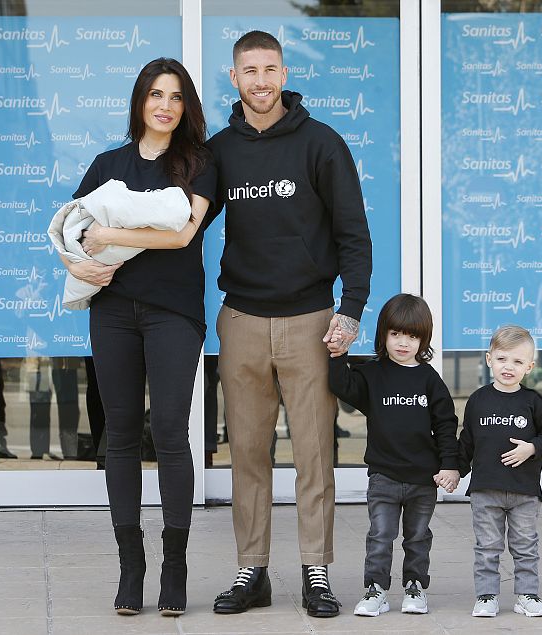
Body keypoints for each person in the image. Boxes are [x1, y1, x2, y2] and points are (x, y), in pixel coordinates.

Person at [207, 30, 372, 618]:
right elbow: (184, 224)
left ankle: (316, 572)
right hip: (242, 321)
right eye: (248, 70)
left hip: (311, 322)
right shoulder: (218, 151)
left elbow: (354, 233)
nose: (260, 81)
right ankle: (252, 571)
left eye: (269, 69)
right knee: (247, 453)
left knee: (313, 454)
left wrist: (350, 311)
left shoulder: (322, 144)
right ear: (234, 78)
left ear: (284, 73)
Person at [62, 57, 216, 617]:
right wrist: (77, 262)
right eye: (155, 95)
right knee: (121, 434)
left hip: (173, 311)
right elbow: (71, 230)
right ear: (139, 102)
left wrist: (107, 232)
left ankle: (173, 565)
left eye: (175, 97)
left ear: (186, 107)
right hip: (112, 313)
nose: (164, 106)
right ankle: (132, 565)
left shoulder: (199, 163)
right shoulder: (108, 164)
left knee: (171, 432)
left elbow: (181, 235)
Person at [327, 294, 460, 617]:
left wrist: (450, 465)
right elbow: (341, 385)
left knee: (417, 538)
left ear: (423, 339)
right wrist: (336, 354)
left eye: (412, 336)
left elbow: (446, 424)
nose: (403, 343)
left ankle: (414, 586)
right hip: (383, 477)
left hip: (422, 480)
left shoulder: (430, 380)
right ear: (383, 335)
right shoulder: (373, 374)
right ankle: (376, 589)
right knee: (380, 536)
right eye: (396, 334)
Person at [459, 325, 542, 619]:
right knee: (487, 547)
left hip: (524, 490)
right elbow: (468, 442)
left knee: (526, 546)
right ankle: (486, 595)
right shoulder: (478, 400)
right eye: (503, 359)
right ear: (489, 359)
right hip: (485, 490)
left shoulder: (534, 402)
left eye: (518, 362)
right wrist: (454, 470)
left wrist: (531, 448)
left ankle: (527, 595)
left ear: (529, 367)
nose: (509, 367)